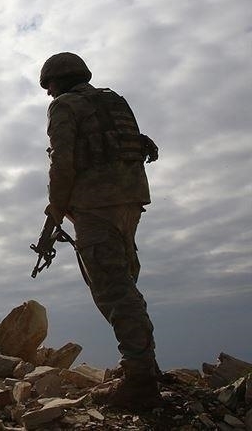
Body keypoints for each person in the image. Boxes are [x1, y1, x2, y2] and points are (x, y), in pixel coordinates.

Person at [39, 52, 161, 409]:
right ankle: (144, 368)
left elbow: (63, 161)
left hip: (96, 205)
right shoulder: (113, 100)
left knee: (113, 289)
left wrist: (55, 212)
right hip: (131, 200)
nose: (49, 95)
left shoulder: (65, 106)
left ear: (58, 82)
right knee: (123, 281)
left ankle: (141, 381)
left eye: (49, 87)